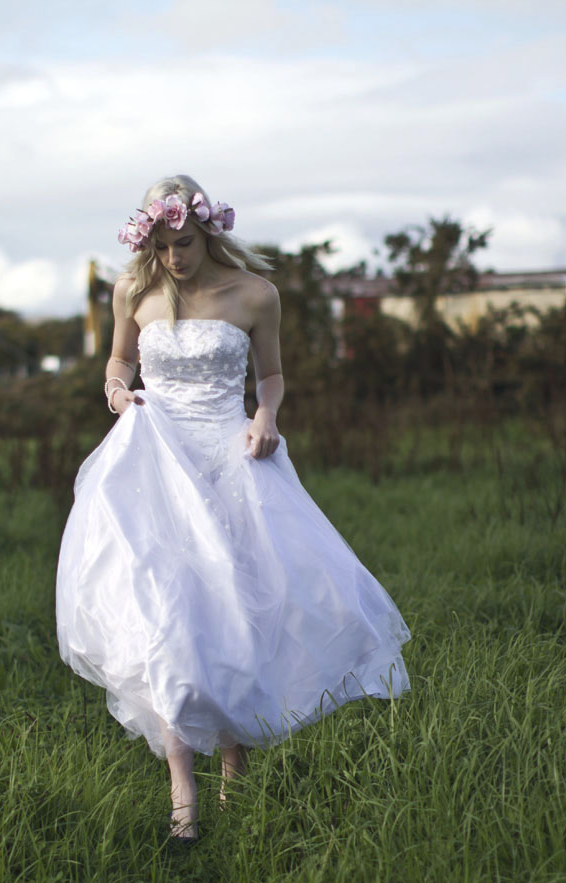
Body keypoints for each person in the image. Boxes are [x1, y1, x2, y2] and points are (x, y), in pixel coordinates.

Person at [56, 174, 410, 844]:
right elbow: (118, 361)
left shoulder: (255, 294)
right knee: (166, 614)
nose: (173, 259)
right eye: (160, 246)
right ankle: (181, 787)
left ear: (207, 231)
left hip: (230, 455)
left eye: (183, 243)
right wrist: (114, 391)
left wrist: (266, 415)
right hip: (156, 458)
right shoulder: (134, 289)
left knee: (236, 607)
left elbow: (270, 376)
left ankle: (233, 771)